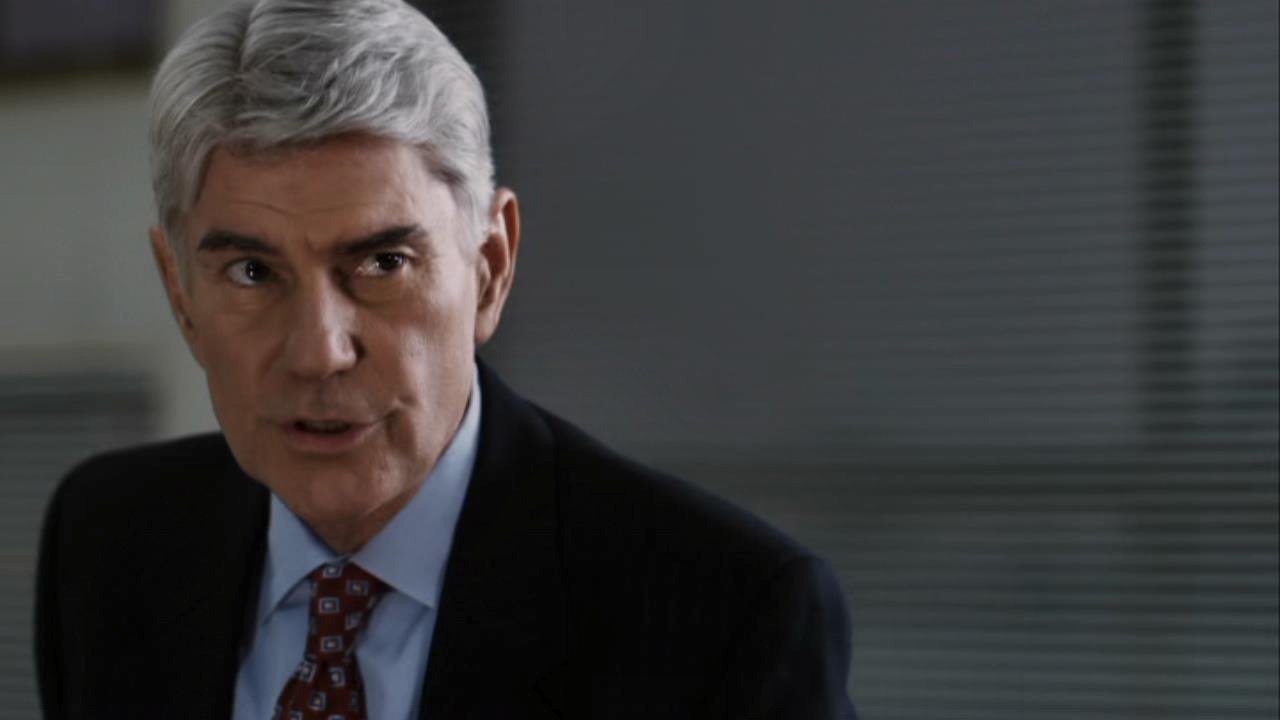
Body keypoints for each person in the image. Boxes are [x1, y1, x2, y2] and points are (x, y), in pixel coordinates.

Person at [34, 1, 858, 718]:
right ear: (180, 293)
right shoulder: (107, 542)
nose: (320, 352)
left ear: (490, 268)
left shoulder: (726, 620)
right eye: (252, 272)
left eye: (383, 263)